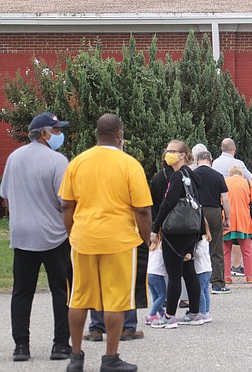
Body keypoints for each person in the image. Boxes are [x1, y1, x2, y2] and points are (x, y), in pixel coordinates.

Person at [59, 114, 152, 372]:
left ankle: (75, 357)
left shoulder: (77, 162)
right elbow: (142, 209)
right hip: (119, 241)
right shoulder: (129, 164)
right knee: (116, 301)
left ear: (96, 133)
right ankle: (110, 358)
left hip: (84, 239)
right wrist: (146, 238)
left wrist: (73, 233)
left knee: (77, 299)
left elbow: (66, 204)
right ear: (119, 134)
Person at [0, 112, 71, 362]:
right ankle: (61, 344)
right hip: (53, 235)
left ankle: (21, 346)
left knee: (21, 291)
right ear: (43, 133)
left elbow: (6, 193)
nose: (59, 135)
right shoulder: (58, 161)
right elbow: (65, 201)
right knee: (60, 291)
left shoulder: (14, 158)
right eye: (56, 131)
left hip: (22, 234)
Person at [151, 140, 204, 328]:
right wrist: (200, 232)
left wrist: (155, 227)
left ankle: (170, 315)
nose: (168, 153)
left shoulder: (176, 176)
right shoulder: (191, 173)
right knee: (189, 270)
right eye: (167, 150)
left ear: (182, 154)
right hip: (190, 228)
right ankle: (195, 312)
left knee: (174, 274)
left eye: (173, 151)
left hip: (174, 231)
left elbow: (167, 204)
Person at [192, 150, 232, 295]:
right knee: (216, 248)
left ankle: (194, 281)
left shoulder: (191, 175)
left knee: (194, 246)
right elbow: (226, 200)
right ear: (211, 160)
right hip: (214, 211)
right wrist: (227, 218)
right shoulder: (218, 176)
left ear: (197, 160)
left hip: (196, 212)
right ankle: (217, 283)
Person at [212, 137, 251, 276]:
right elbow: (250, 178)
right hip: (240, 209)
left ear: (221, 149)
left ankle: (224, 274)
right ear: (234, 149)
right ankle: (242, 269)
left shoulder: (215, 163)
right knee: (243, 243)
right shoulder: (237, 163)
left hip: (218, 204)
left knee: (223, 245)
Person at [224, 165, 252, 283]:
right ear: (242, 173)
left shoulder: (224, 182)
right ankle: (249, 276)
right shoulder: (248, 183)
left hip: (227, 220)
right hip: (243, 220)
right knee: (247, 250)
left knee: (226, 251)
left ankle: (226, 276)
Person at [194, 219, 213, 323]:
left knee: (200, 291)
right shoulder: (206, 239)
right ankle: (206, 311)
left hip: (201, 269)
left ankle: (202, 312)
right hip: (207, 268)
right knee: (205, 291)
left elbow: (199, 253)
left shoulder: (202, 240)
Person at [146, 235, 166, 325]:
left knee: (155, 295)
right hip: (157, 273)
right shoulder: (162, 246)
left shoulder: (152, 247)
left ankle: (161, 312)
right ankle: (152, 315)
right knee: (162, 295)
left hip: (149, 273)